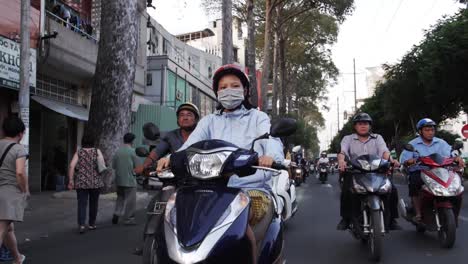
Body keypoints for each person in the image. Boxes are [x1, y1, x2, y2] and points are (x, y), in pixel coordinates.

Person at [157, 64, 284, 261]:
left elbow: (271, 141)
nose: (228, 91)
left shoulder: (258, 117)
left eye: (234, 86)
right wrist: (169, 159)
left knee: (241, 225)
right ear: (217, 92)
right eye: (223, 87)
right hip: (210, 188)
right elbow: (190, 145)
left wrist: (271, 158)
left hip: (250, 188)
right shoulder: (209, 121)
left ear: (245, 90)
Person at [133, 102, 200, 256]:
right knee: (156, 206)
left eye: (189, 115)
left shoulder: (201, 133)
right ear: (178, 119)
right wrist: (144, 166)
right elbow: (157, 152)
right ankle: (147, 242)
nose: (185, 118)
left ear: (196, 119)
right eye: (182, 115)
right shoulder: (171, 136)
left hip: (198, 180)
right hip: (174, 181)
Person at [337, 113, 401, 230]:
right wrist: (342, 161)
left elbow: (384, 152)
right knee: (346, 190)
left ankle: (392, 219)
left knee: (392, 189)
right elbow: (343, 152)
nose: (363, 126)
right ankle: (345, 219)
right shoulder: (348, 139)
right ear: (355, 126)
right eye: (360, 124)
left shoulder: (378, 138)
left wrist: (391, 160)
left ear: (370, 126)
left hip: (377, 171)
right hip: (356, 171)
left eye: (366, 123)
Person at [400, 118, 465, 223]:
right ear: (420, 131)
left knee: (458, 186)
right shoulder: (413, 144)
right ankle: (418, 213)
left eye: (432, 130)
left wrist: (457, 158)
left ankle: (454, 214)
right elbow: (404, 160)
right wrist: (409, 161)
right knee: (414, 181)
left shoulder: (441, 142)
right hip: (421, 171)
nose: (430, 132)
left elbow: (451, 153)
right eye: (427, 130)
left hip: (441, 171)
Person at [0, 116, 28, 264]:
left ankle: (17, 258)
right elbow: (20, 172)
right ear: (20, 133)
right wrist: (24, 190)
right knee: (2, 229)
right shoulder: (19, 149)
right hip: (9, 194)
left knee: (8, 228)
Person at [68, 133, 106, 233]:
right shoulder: (97, 151)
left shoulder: (79, 152)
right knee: (94, 203)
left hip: (81, 182)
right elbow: (102, 166)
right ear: (93, 141)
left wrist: (71, 180)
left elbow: (72, 166)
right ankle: (92, 224)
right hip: (95, 182)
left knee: (82, 204)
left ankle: (81, 225)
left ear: (83, 141)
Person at [112, 133, 140, 225]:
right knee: (130, 201)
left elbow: (114, 166)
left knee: (120, 197)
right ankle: (128, 219)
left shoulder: (118, 151)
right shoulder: (133, 151)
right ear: (132, 141)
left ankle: (117, 213)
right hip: (130, 180)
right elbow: (138, 167)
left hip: (119, 180)